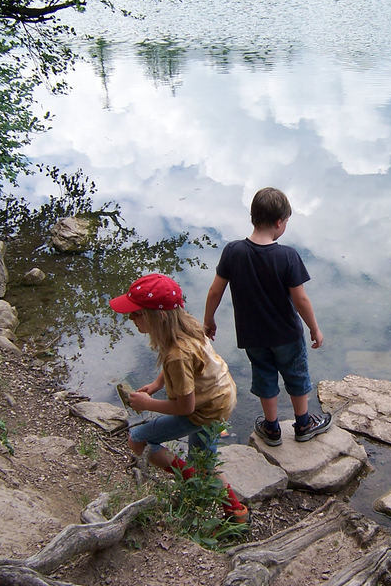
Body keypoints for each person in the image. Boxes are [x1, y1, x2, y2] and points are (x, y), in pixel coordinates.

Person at [109, 273, 249, 523]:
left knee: (138, 440)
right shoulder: (184, 327)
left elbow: (186, 406)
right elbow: (185, 366)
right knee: (204, 460)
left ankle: (234, 511)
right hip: (219, 397)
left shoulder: (177, 355)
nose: (131, 318)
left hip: (206, 411)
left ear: (159, 316)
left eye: (137, 313)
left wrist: (147, 404)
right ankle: (197, 482)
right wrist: (156, 384)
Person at [203, 187, 331, 447]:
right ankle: (303, 423)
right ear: (279, 223)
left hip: (253, 336)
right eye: (286, 222)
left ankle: (271, 428)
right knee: (295, 375)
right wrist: (314, 328)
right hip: (287, 334)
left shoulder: (232, 251)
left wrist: (209, 320)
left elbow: (215, 290)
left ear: (253, 217)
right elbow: (300, 299)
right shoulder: (288, 256)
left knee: (264, 375)